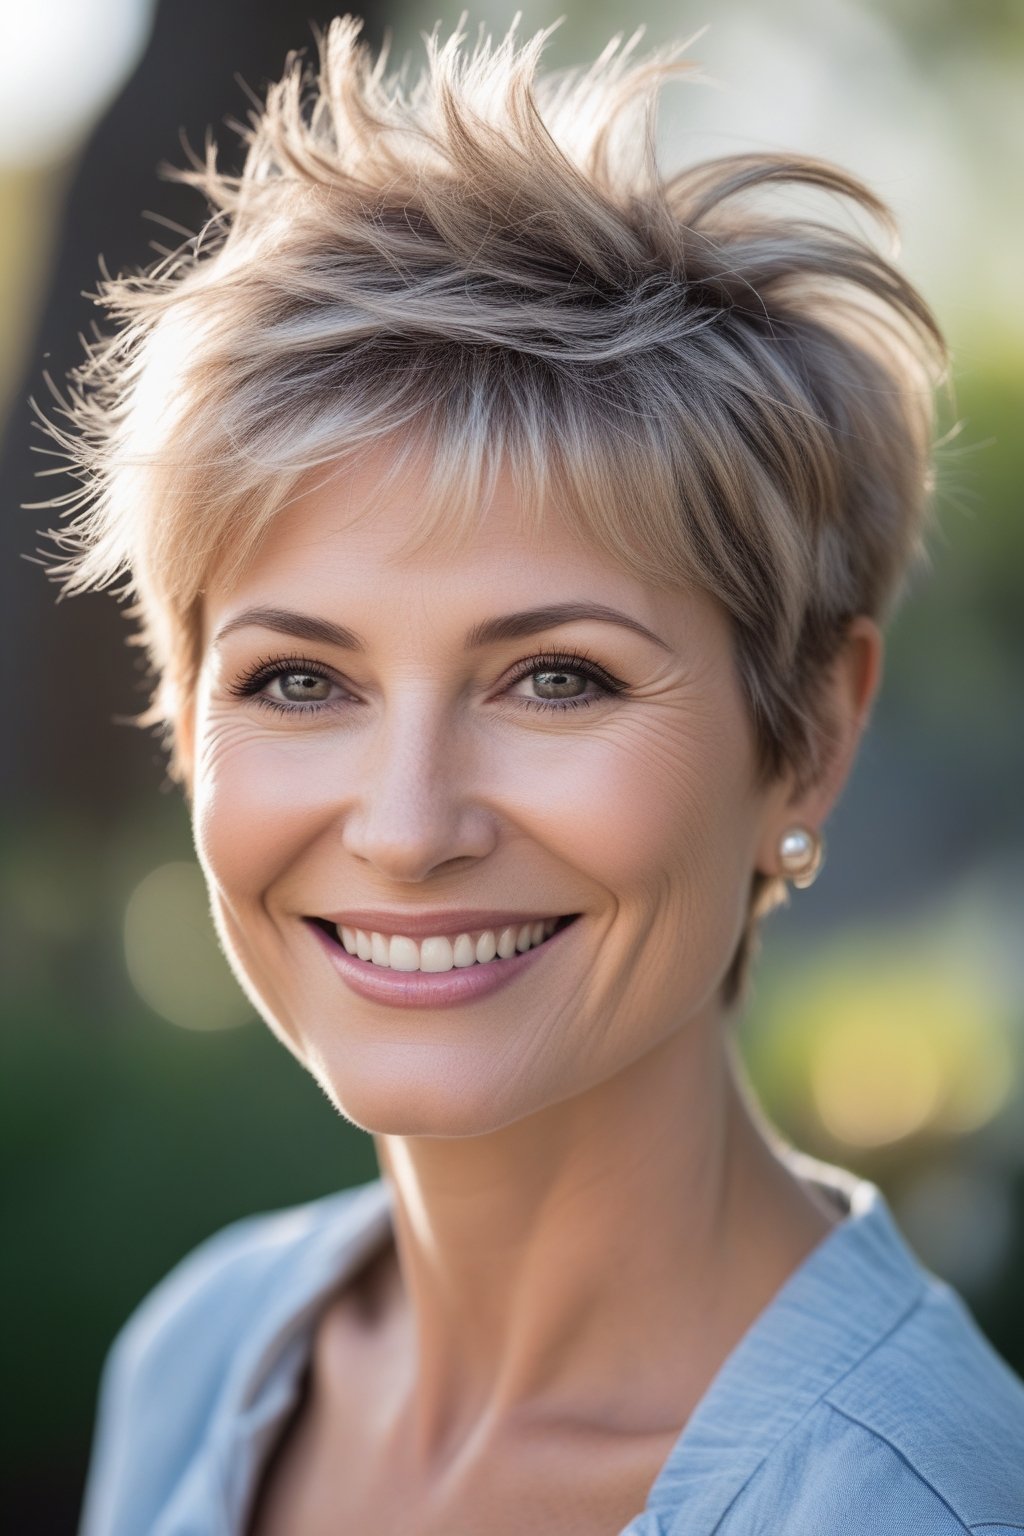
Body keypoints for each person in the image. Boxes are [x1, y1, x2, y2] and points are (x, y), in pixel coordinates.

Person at [42, 16, 1024, 1535]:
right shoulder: (199, 1356)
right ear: (183, 715)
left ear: (811, 737)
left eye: (557, 678)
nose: (408, 828)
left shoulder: (904, 1503)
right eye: (300, 681)